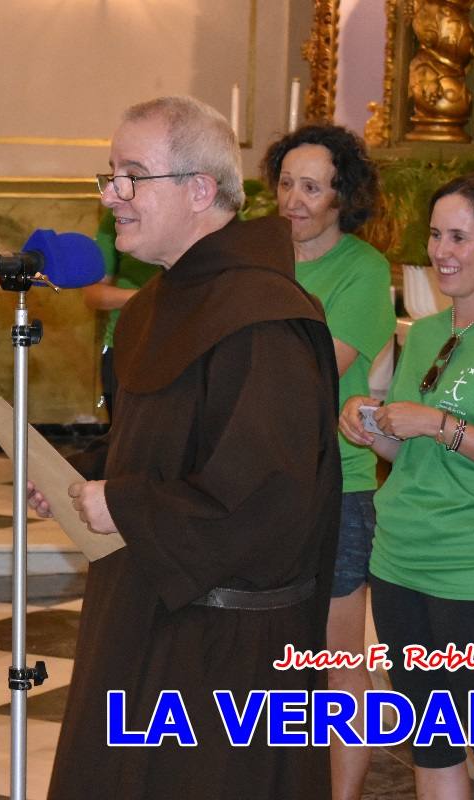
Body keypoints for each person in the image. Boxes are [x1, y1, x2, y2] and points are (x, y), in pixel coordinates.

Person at [30, 96, 342, 799]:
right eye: (110, 175)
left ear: (201, 190)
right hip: (143, 615)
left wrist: (127, 505)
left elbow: (266, 498)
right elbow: (159, 445)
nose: (113, 196)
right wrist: (83, 478)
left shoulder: (264, 318)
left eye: (132, 176)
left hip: (222, 653)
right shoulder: (155, 306)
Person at [340, 174, 474, 799]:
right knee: (433, 737)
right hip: (401, 561)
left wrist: (442, 424)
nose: (442, 250)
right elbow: (408, 455)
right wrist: (369, 429)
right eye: (435, 234)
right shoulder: (424, 333)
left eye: (460, 236)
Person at [261, 124, 395, 800]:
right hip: (261, 483)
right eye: (286, 183)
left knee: (337, 659)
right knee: (269, 654)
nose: (294, 200)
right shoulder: (257, 260)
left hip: (334, 484)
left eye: (311, 187)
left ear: (344, 197)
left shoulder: (363, 271)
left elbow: (317, 367)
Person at [84, 209, 161, 419]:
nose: (110, 195)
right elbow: (94, 294)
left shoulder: (215, 215)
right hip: (126, 345)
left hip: (186, 344)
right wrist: (149, 297)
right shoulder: (116, 217)